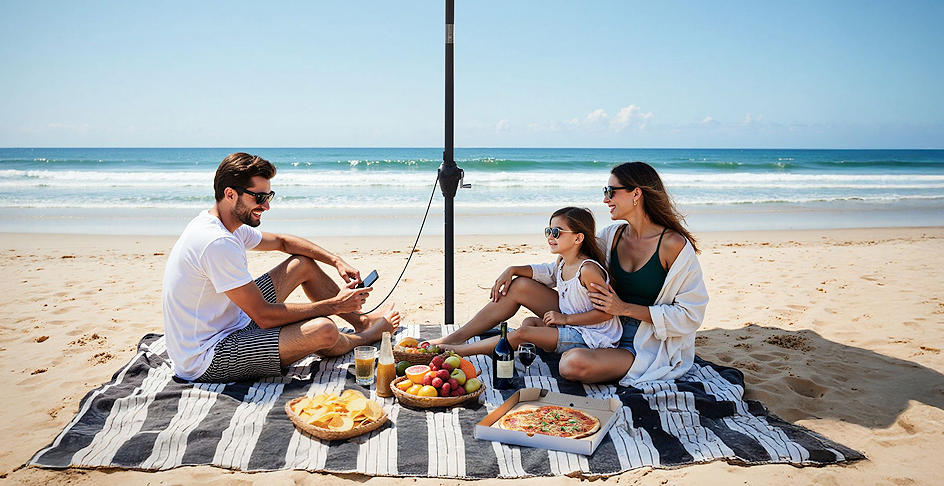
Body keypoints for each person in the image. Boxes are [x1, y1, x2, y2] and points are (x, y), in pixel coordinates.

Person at [432, 161, 708, 386]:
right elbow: (565, 269)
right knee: (520, 286)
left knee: (572, 365)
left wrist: (625, 308)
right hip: (591, 322)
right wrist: (514, 268)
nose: (605, 198)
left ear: (636, 194)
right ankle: (453, 340)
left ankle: (542, 340)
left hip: (639, 342)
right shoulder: (611, 236)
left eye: (611, 191)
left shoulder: (673, 245)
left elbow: (690, 315)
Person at [161, 152, 400, 382]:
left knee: (302, 264)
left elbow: (283, 242)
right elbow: (264, 316)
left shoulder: (224, 225)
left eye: (269, 196)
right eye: (259, 198)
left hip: (232, 322)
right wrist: (334, 305)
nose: (266, 206)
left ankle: (361, 322)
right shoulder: (217, 242)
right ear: (230, 194)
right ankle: (367, 336)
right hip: (208, 356)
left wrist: (336, 260)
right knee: (324, 329)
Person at [440, 207, 621, 357]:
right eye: (548, 231)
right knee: (529, 320)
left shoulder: (588, 270)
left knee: (523, 333)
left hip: (593, 336)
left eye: (556, 232)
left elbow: (606, 313)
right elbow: (544, 271)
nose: (550, 236)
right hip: (573, 325)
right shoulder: (563, 262)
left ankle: (459, 351)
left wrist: (565, 318)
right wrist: (512, 269)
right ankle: (460, 338)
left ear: (578, 238)